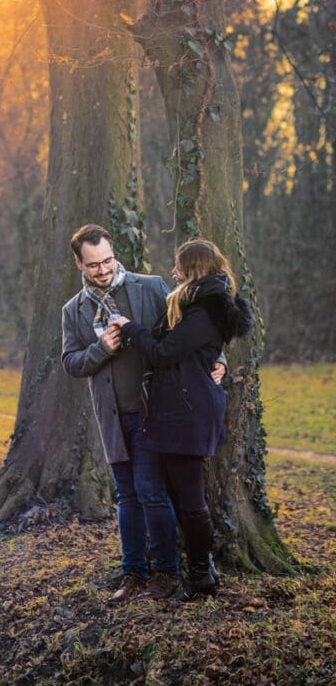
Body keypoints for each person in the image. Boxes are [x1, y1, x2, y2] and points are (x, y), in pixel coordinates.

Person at [61, 225, 226, 603]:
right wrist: (101, 348)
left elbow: (199, 326)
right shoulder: (74, 310)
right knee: (126, 497)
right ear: (79, 263)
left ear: (114, 253)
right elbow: (71, 362)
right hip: (113, 416)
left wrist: (220, 360)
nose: (102, 271)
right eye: (93, 266)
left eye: (107, 261)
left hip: (155, 413)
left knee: (153, 494)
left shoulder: (150, 287)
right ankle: (132, 573)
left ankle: (166, 573)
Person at [113, 238, 253, 601]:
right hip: (177, 412)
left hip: (187, 415)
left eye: (178, 266)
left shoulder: (205, 311)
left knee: (191, 501)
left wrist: (130, 329)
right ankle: (196, 571)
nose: (173, 272)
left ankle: (200, 576)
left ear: (193, 269)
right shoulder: (196, 306)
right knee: (180, 496)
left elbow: (163, 353)